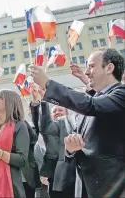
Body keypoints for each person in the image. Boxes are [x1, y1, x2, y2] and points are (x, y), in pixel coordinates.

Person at [30, 48, 125, 197]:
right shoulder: (96, 100)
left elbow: (90, 104)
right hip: (88, 188)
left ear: (109, 68)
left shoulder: (120, 94)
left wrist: (48, 83)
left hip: (112, 186)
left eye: (92, 66)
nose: (87, 72)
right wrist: (70, 149)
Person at [35, 87, 76, 198]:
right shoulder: (50, 128)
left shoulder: (74, 124)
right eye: (55, 111)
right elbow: (45, 124)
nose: (57, 112)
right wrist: (44, 102)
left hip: (74, 174)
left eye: (60, 110)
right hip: (55, 176)